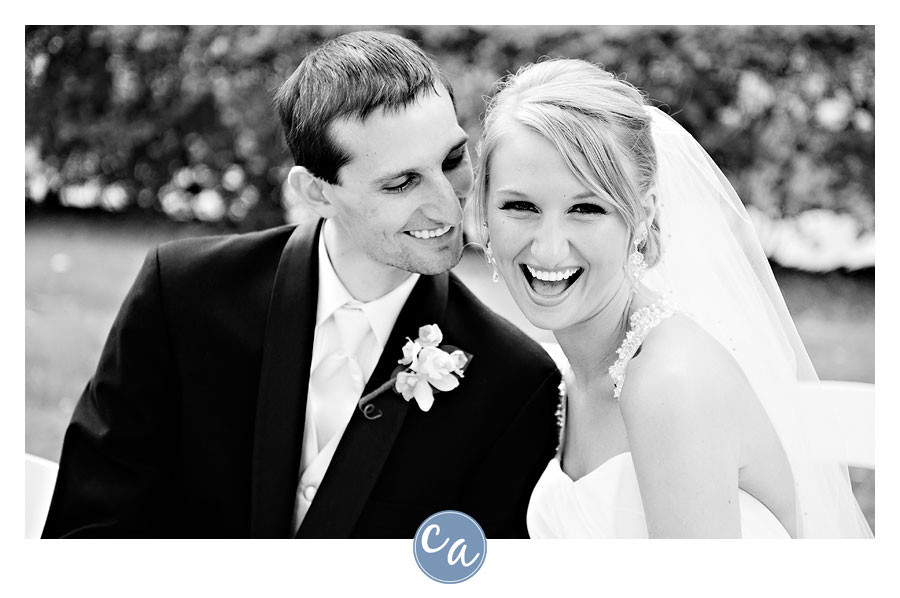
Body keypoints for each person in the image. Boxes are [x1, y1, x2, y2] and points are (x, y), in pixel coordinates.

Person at [42, 31, 560, 539]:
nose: (450, 204)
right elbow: (88, 531)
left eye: (451, 160)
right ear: (316, 192)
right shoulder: (180, 296)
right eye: (401, 182)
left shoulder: (513, 382)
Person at [472, 58, 872, 538]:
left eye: (586, 207)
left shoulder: (671, 382)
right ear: (485, 211)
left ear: (641, 218)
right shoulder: (573, 372)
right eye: (521, 206)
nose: (549, 247)